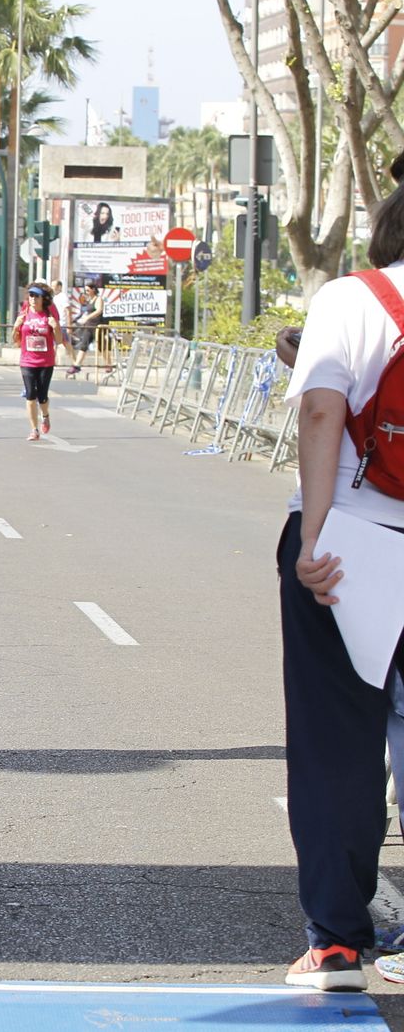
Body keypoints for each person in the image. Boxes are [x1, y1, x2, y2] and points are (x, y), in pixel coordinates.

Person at [273, 172, 404, 992]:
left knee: (336, 744)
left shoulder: (352, 299)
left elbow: (323, 411)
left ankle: (339, 945)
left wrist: (312, 538)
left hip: (356, 540)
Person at [14, 284, 69, 441]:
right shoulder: (25, 312)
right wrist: (16, 327)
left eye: (36, 296)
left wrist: (56, 326)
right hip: (27, 360)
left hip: (46, 361)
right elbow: (15, 340)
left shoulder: (49, 313)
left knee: (42, 396)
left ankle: (45, 415)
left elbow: (58, 340)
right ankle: (34, 429)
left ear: (43, 299)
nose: (33, 299)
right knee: (30, 394)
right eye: (31, 295)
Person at [67, 285, 104, 377]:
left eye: (88, 290)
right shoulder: (89, 301)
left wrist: (88, 317)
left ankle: (109, 364)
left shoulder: (98, 299)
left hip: (97, 326)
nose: (86, 292)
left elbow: (99, 310)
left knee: (102, 347)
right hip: (89, 326)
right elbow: (86, 312)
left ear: (93, 290)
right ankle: (77, 365)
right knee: (84, 345)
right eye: (85, 290)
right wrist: (78, 320)